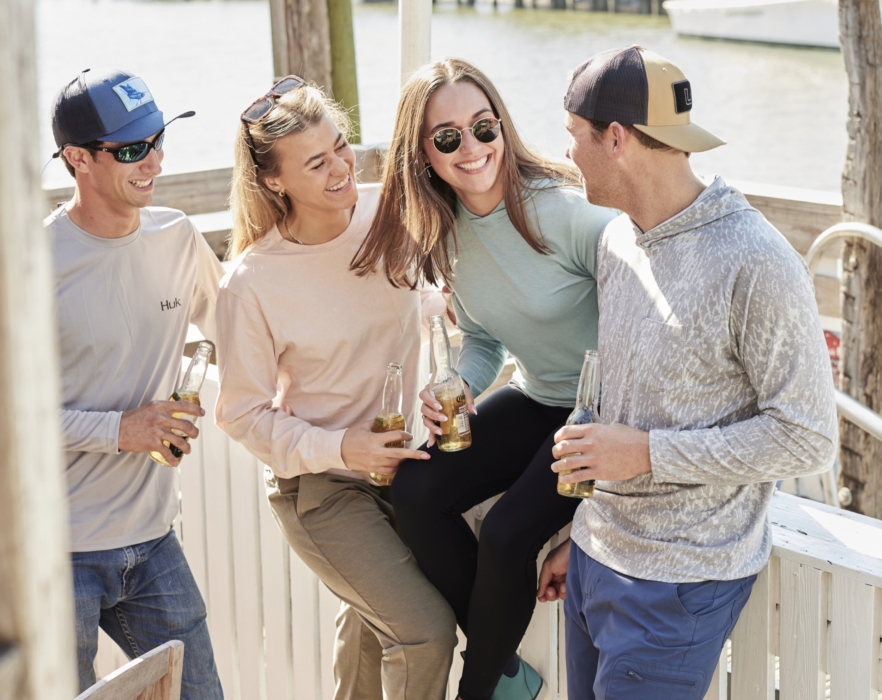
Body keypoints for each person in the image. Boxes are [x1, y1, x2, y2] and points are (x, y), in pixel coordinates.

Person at [536, 46, 838, 699]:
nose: (566, 158)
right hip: (595, 559)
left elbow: (807, 435)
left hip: (677, 589)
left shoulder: (755, 260)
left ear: (615, 139)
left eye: (573, 140)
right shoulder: (617, 238)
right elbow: (625, 407)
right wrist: (580, 535)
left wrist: (645, 454)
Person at [352, 58, 617, 700]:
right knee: (413, 488)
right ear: (424, 154)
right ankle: (501, 671)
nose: (472, 149)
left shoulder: (570, 217)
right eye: (448, 138)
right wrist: (464, 385)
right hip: (535, 397)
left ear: (502, 125)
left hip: (599, 417)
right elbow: (483, 340)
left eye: (483, 127)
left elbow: (650, 316)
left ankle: (479, 688)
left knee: (504, 534)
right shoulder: (444, 235)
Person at [213, 76, 457, 700]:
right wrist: (342, 448)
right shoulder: (252, 283)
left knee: (375, 630)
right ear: (274, 181)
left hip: (400, 469)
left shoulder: (389, 213)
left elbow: (388, 306)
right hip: (318, 489)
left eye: (342, 146)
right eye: (316, 163)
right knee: (424, 634)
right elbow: (240, 414)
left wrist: (447, 305)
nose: (340, 168)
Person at [48, 69, 224, 698]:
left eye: (155, 140)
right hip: (54, 556)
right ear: (78, 159)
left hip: (152, 543)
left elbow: (244, 327)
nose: (152, 161)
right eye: (129, 150)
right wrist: (122, 430)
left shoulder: (177, 235)